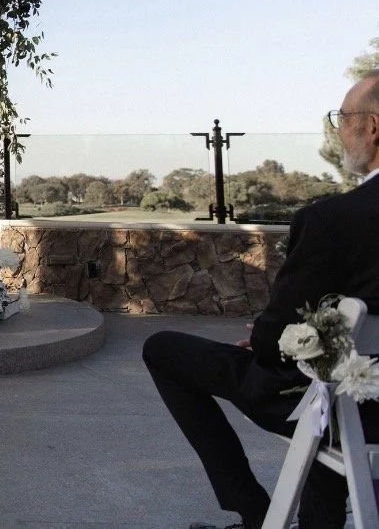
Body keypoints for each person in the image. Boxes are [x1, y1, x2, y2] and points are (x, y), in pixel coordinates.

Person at [142, 70, 379, 529]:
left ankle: (254, 513)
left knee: (165, 350)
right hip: (355, 399)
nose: (338, 128)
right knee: (328, 379)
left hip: (346, 408)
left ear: (373, 126)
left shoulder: (331, 220)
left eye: (342, 116)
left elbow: (276, 340)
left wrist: (271, 336)